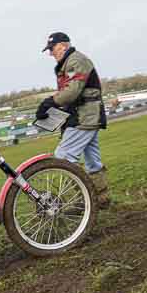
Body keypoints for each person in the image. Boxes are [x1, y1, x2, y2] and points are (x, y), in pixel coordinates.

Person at [35, 32, 110, 208]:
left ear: (63, 45)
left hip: (85, 117)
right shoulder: (70, 62)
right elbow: (70, 93)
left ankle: (83, 201)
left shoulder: (76, 60)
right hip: (86, 115)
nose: (51, 53)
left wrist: (49, 102)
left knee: (63, 157)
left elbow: (72, 92)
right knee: (93, 162)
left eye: (52, 49)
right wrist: (52, 107)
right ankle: (101, 199)